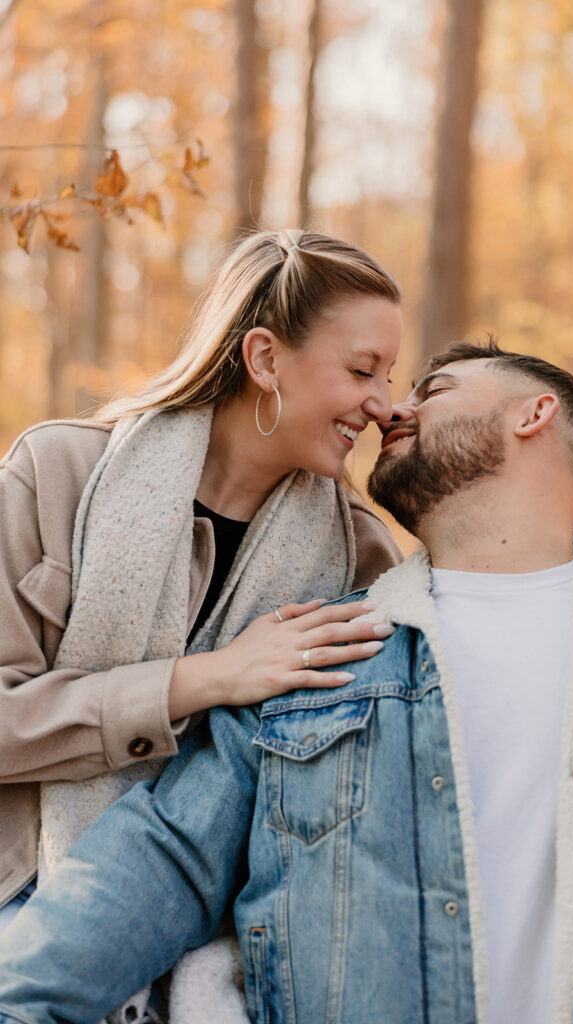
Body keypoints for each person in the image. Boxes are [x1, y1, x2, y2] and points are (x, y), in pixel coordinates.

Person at [0, 340, 573, 1024]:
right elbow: (163, 862)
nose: (390, 409)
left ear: (533, 415)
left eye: (431, 389)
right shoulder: (313, 651)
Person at [0, 229, 404, 1018]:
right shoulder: (55, 477)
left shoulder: (359, 555)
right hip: (22, 904)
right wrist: (204, 681)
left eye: (389, 376)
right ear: (263, 360)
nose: (383, 404)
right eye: (362, 370)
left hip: (217, 961)